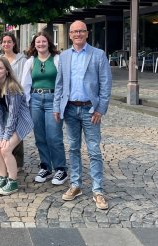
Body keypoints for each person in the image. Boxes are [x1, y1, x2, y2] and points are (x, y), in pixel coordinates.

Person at [53, 21, 113, 211]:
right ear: (69, 35)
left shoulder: (98, 55)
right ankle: (76, 185)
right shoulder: (64, 56)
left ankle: (98, 190)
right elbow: (60, 84)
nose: (78, 34)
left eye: (81, 31)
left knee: (94, 150)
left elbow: (106, 84)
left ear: (87, 33)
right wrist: (57, 107)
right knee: (73, 148)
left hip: (90, 111)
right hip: (70, 109)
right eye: (74, 31)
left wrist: (100, 109)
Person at [24, 31, 67, 185]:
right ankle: (45, 166)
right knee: (40, 136)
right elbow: (25, 84)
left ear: (49, 43)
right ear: (34, 45)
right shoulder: (30, 62)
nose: (40, 44)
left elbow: (62, 82)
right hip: (35, 100)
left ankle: (60, 168)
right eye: (38, 42)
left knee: (54, 136)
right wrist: (26, 104)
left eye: (43, 41)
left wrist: (60, 103)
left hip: (52, 100)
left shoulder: (56, 59)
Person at [0, 57, 33, 195]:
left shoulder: (12, 87)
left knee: (6, 149)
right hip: (7, 120)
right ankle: (2, 178)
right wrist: (0, 134)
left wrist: (6, 136)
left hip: (21, 120)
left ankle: (12, 182)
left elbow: (13, 114)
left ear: (7, 70)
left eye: (0, 68)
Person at [0, 31, 31, 169]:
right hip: (1, 98)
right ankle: (3, 158)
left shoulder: (22, 59)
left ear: (14, 43)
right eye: (4, 42)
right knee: (4, 127)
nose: (6, 44)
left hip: (17, 98)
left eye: (9, 42)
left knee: (16, 129)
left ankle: (17, 162)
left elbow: (25, 79)